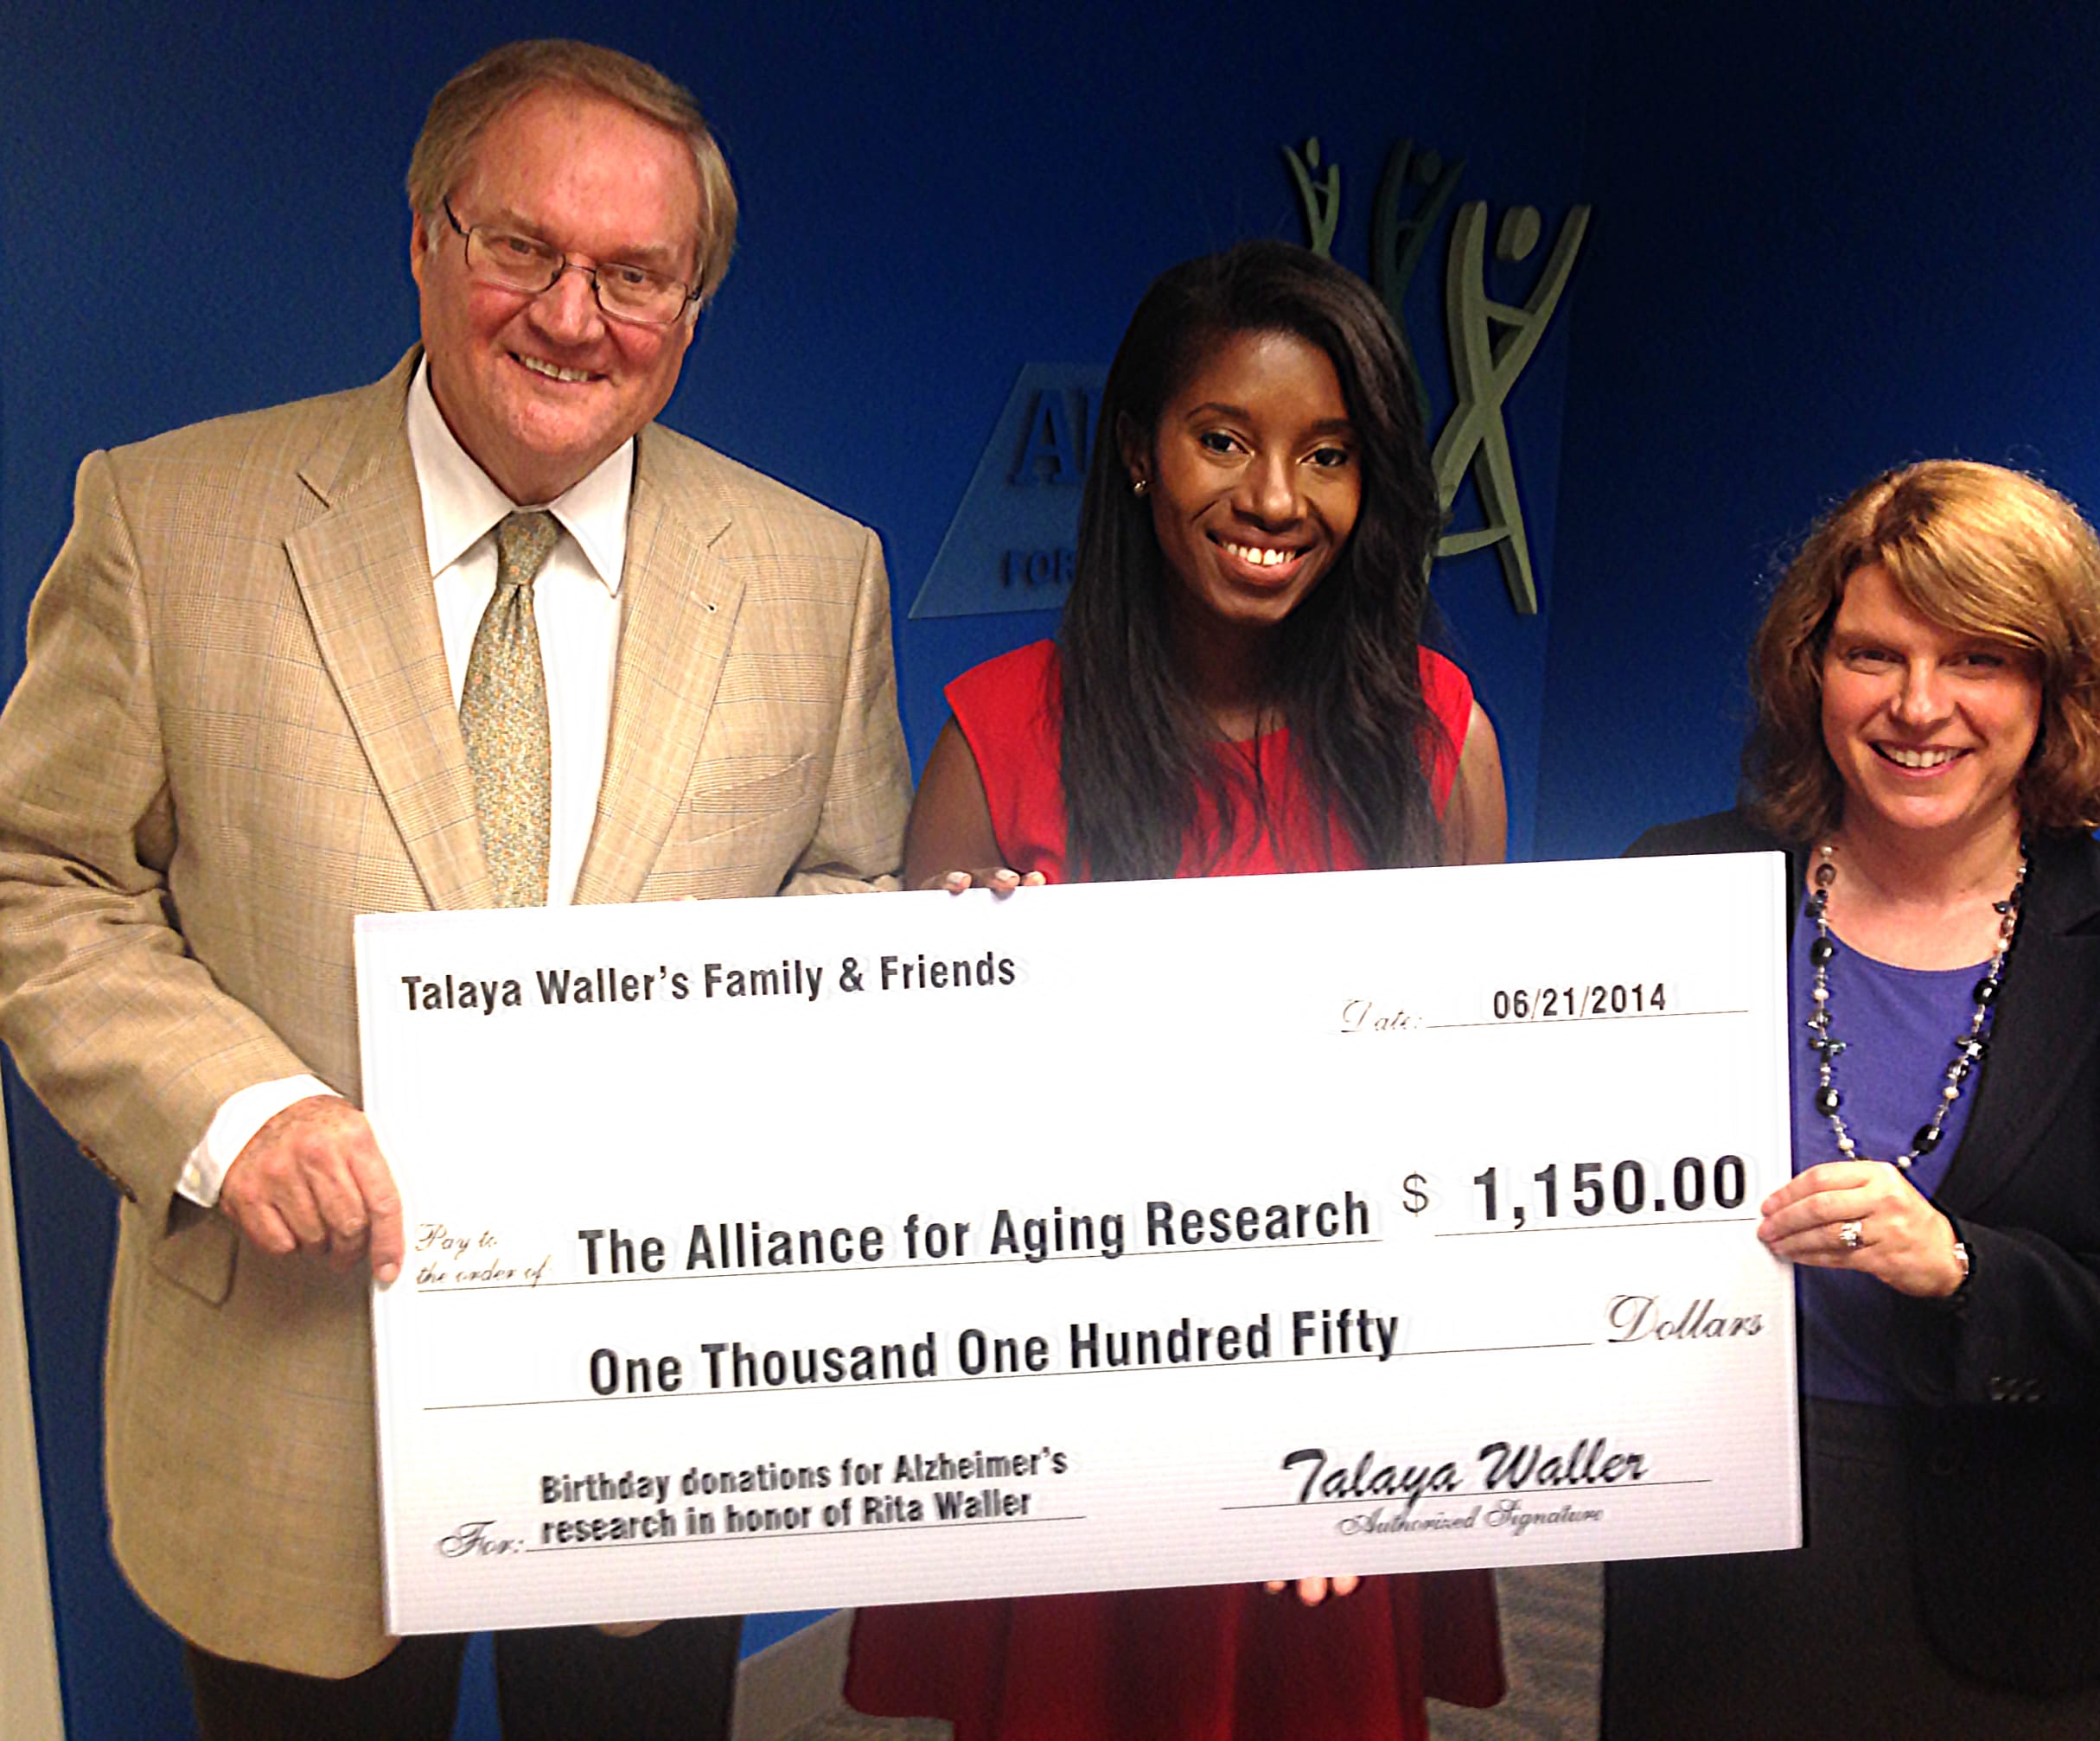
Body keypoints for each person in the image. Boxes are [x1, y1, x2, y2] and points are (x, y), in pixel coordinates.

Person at [0, 39, 909, 1741]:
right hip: (290, 1392)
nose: (574, 317)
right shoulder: (166, 518)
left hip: (648, 1394)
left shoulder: (814, 573)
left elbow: (844, 893)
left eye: (635, 275)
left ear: (690, 308)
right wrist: (233, 1106)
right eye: (521, 250)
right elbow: (36, 875)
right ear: (424, 240)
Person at [843, 239, 1509, 1739]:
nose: (1275, 499)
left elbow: (1468, 1119)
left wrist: (1371, 1432)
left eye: (1328, 455)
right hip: (1078, 1412)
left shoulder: (1437, 737)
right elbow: (907, 1128)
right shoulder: (997, 732)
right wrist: (969, 978)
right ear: (1139, 453)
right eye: (1226, 438)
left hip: (1338, 1395)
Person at [1604, 461, 2100, 1738]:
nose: (1919, 706)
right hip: (1711, 1551)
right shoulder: (1674, 885)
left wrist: (1965, 1269)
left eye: (1979, 660)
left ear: (2059, 686)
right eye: (1874, 654)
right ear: (1811, 670)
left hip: (2026, 1574)